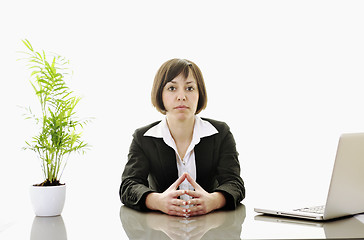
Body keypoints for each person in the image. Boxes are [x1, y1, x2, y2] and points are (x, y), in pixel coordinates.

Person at [120, 58, 245, 217]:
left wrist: (213, 200)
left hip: (211, 227)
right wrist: (157, 201)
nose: (181, 96)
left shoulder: (220, 133)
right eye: (172, 88)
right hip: (160, 228)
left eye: (190, 88)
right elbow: (128, 186)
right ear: (160, 94)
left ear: (200, 94)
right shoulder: (143, 138)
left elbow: (235, 184)